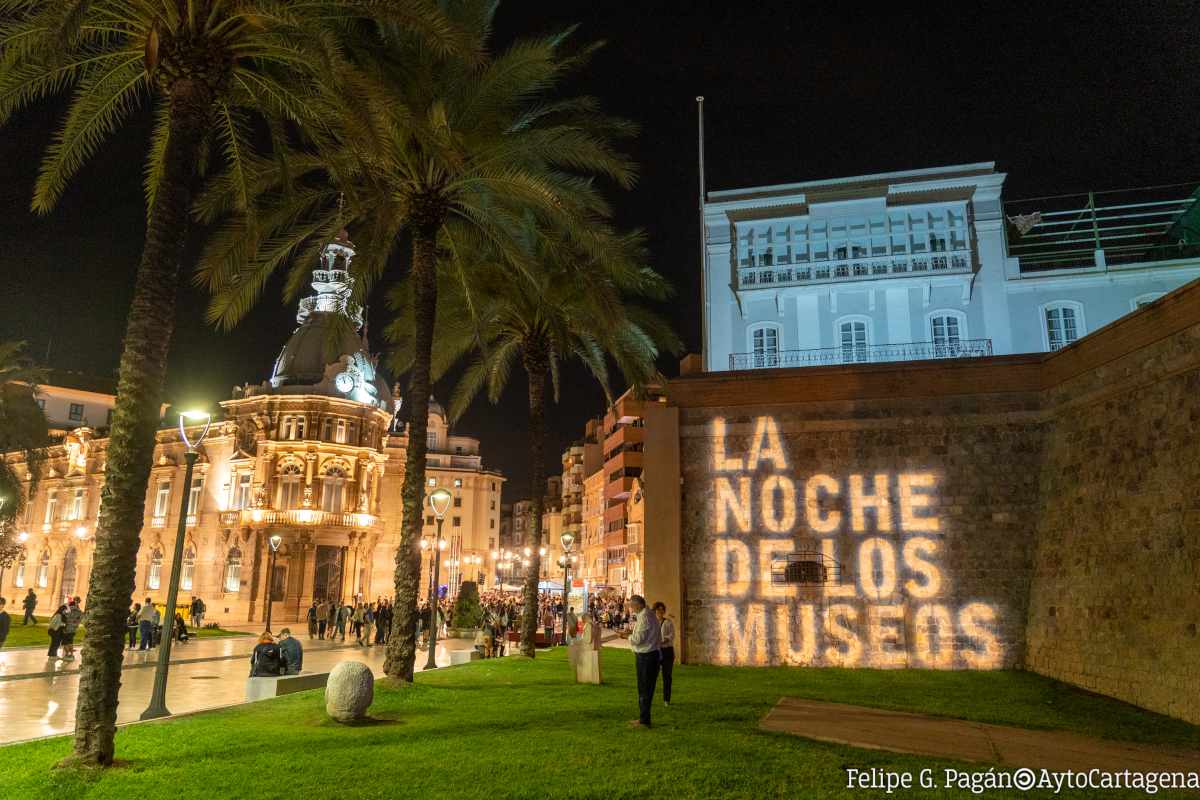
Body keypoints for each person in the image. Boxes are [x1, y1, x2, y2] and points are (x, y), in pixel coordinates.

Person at [617, 595, 661, 729]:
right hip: (648, 656)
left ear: (637, 605)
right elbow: (643, 633)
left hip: (646, 657)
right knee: (644, 689)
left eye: (631, 606)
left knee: (645, 689)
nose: (631, 609)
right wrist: (632, 631)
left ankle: (644, 721)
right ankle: (643, 718)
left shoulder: (645, 617)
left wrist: (626, 636)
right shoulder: (647, 615)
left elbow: (639, 639)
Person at [654, 602, 675, 707]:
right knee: (653, 676)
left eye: (662, 609)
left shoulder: (668, 622)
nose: (660, 611)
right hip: (656, 651)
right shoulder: (653, 623)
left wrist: (664, 641)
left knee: (667, 676)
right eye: (658, 609)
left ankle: (667, 699)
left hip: (667, 652)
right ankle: (650, 698)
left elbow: (672, 635)